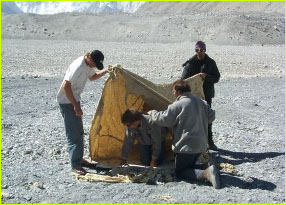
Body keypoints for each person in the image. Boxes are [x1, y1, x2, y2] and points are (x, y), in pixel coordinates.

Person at [148, 80, 220, 189]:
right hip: (201, 146)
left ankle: (206, 173)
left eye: (173, 90)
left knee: (180, 172)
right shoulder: (201, 102)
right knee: (193, 165)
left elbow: (164, 120)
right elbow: (211, 117)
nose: (173, 93)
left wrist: (153, 113)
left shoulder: (177, 105)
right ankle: (205, 170)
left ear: (177, 91)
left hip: (185, 148)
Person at [57, 50, 109, 175]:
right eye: (94, 64)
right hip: (67, 101)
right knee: (73, 133)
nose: (94, 66)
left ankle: (79, 159)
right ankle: (75, 165)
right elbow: (66, 86)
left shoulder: (88, 64)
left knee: (79, 131)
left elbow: (92, 77)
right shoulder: (78, 66)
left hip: (74, 100)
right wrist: (75, 106)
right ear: (89, 57)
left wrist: (106, 71)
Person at [181, 41, 220, 150]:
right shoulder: (190, 63)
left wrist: (206, 77)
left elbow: (216, 78)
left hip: (206, 95)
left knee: (207, 117)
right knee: (192, 118)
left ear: (204, 50)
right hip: (192, 96)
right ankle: (193, 142)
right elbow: (183, 79)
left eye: (201, 50)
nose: (199, 52)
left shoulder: (211, 63)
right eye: (197, 50)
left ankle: (209, 141)